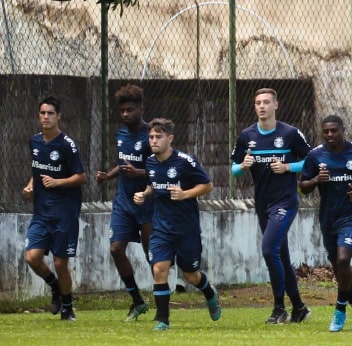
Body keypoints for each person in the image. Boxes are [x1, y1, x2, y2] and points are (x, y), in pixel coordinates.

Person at [231, 88, 313, 324]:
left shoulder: (289, 133)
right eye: (258, 103)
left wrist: (288, 168)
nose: (262, 106)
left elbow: (311, 160)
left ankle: (279, 309)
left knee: (268, 249)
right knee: (281, 256)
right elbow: (234, 170)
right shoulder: (247, 135)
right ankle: (299, 308)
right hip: (262, 203)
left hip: (285, 201)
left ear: (276, 105)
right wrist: (243, 166)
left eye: (266, 102)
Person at [134, 118, 221, 330]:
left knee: (191, 275)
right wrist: (145, 194)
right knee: (159, 268)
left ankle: (209, 292)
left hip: (186, 229)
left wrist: (185, 194)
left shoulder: (184, 161)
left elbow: (207, 185)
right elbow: (153, 185)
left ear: (170, 138)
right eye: (151, 137)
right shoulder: (150, 162)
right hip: (161, 228)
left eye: (158, 137)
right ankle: (162, 319)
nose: (153, 141)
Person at [299, 115, 352, 332]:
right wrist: (317, 180)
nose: (330, 135)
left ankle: (339, 310)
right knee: (339, 268)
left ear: (343, 130)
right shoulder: (315, 155)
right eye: (326, 131)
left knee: (344, 259)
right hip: (328, 217)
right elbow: (303, 187)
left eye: (334, 131)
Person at [94, 84, 154, 320]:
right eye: (122, 111)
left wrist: (138, 173)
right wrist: (109, 175)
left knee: (153, 257)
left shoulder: (151, 135)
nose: (125, 114)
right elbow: (123, 162)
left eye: (130, 110)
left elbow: (160, 170)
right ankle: (137, 301)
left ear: (141, 109)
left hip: (147, 203)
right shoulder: (120, 134)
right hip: (123, 203)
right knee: (116, 248)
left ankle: (162, 302)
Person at [23, 96, 86, 321]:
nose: (46, 117)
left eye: (50, 113)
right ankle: (56, 287)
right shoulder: (35, 141)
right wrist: (31, 185)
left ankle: (68, 307)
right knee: (32, 257)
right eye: (43, 113)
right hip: (41, 212)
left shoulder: (67, 145)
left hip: (64, 213)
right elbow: (37, 171)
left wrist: (58, 182)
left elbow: (81, 177)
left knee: (60, 262)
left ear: (58, 116)